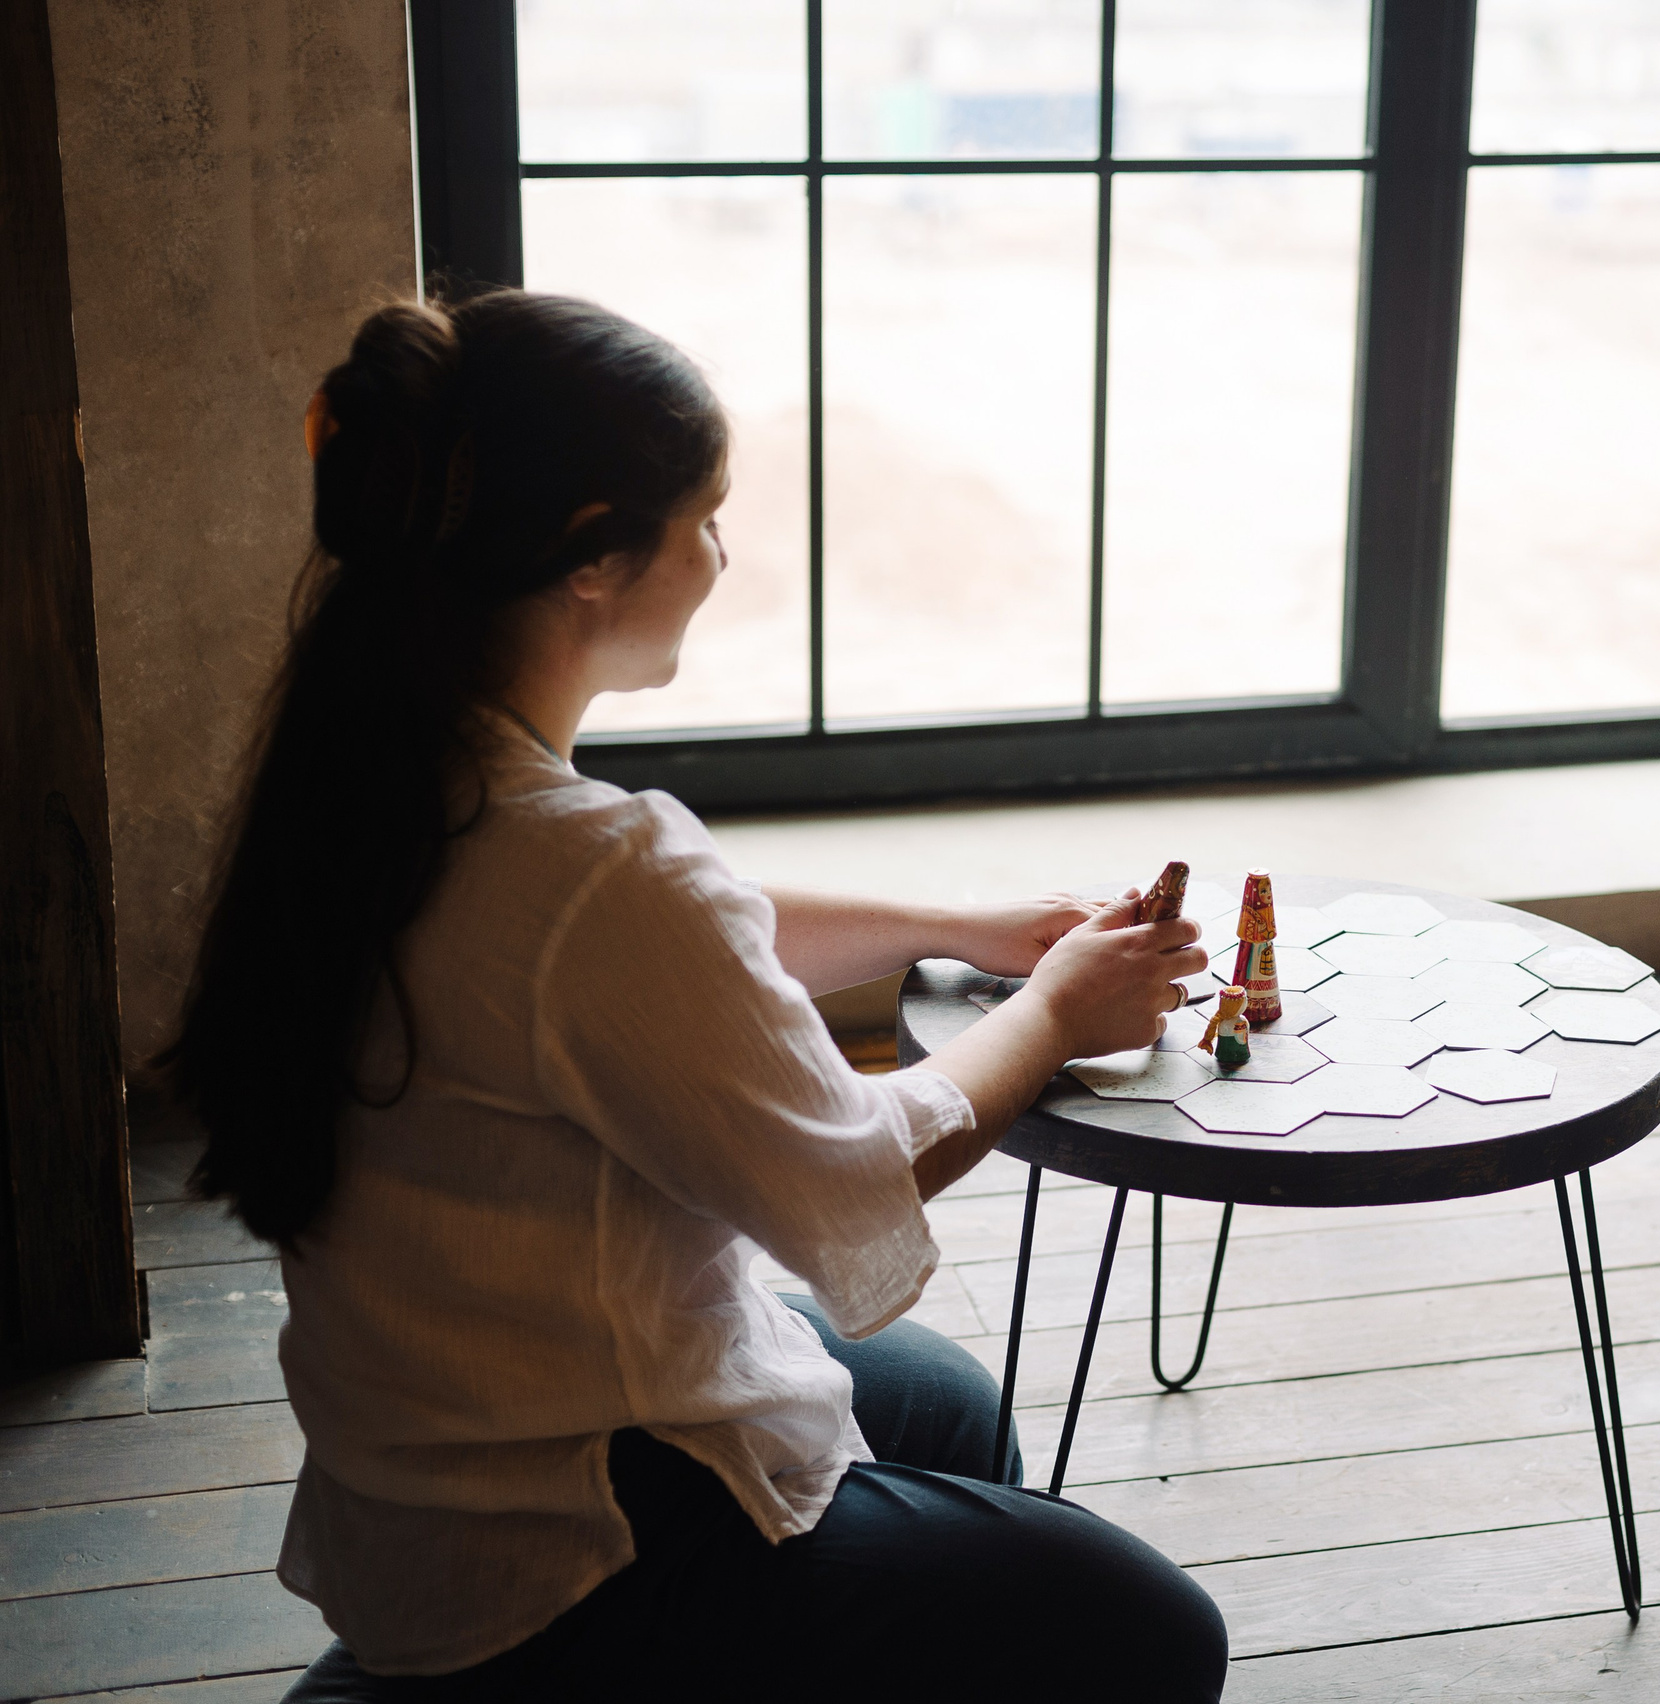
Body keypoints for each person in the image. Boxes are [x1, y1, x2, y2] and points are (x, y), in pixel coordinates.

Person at [161, 291, 1227, 1700]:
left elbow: (658, 950)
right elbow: (850, 1192)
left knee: (944, 1402)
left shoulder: (383, 778)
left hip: (424, 1466)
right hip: (571, 1552)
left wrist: (954, 927)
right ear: (596, 553)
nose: (724, 554)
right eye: (706, 516)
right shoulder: (597, 869)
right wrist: (1061, 1018)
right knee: (1154, 1636)